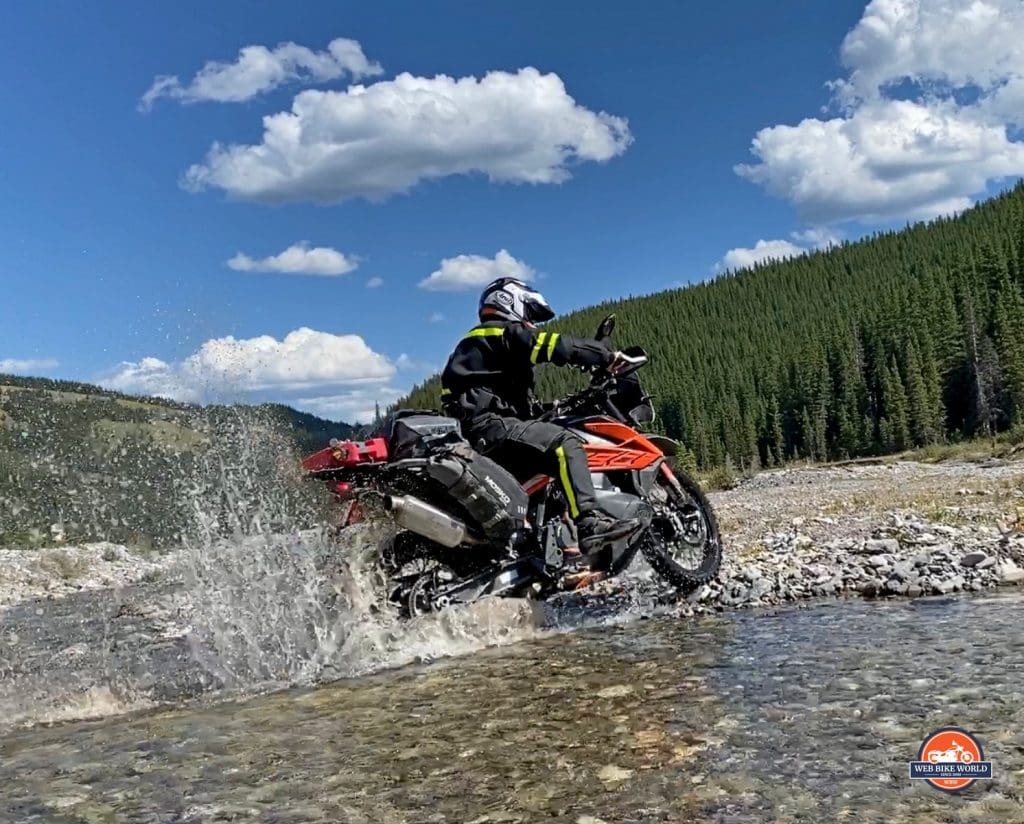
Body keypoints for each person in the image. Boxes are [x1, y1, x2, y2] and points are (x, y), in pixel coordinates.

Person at [440, 277, 641, 551]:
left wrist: (548, 409)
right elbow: (552, 345)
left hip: (482, 431)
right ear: (509, 302)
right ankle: (589, 523)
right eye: (530, 315)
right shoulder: (496, 333)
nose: (531, 324)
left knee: (545, 465)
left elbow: (508, 401)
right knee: (565, 444)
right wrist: (605, 355)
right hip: (490, 427)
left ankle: (554, 547)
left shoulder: (484, 351)